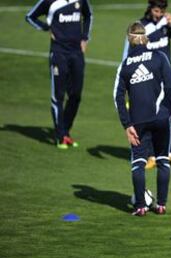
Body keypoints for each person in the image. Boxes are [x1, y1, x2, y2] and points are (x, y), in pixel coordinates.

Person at [114, 21, 171, 216]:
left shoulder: (125, 65)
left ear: (129, 39)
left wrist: (127, 124)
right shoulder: (159, 57)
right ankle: (161, 205)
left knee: (139, 163)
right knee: (163, 160)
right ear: (145, 36)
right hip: (162, 117)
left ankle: (140, 207)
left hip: (138, 121)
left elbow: (118, 97)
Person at [122, 0, 171, 169]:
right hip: (149, 80)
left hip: (168, 76)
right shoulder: (141, 28)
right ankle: (151, 155)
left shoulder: (167, 23)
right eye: (156, 10)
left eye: (162, 11)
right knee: (152, 116)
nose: (159, 14)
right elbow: (127, 56)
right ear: (150, 9)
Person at [25, 0, 93, 149]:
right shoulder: (49, 1)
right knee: (58, 95)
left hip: (76, 53)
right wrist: (46, 27)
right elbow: (30, 16)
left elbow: (88, 15)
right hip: (58, 53)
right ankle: (60, 136)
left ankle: (65, 132)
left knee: (76, 95)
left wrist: (85, 38)